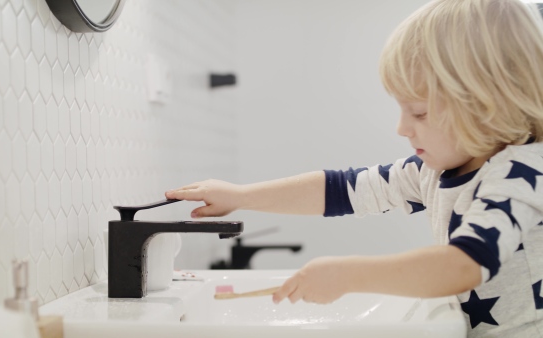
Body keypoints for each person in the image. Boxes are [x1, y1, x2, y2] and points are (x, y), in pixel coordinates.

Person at [165, 0, 543, 336]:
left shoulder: (520, 173)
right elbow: (341, 189)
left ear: (485, 103)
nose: (402, 128)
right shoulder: (432, 170)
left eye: (419, 112)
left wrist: (349, 275)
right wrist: (240, 196)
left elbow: (464, 265)